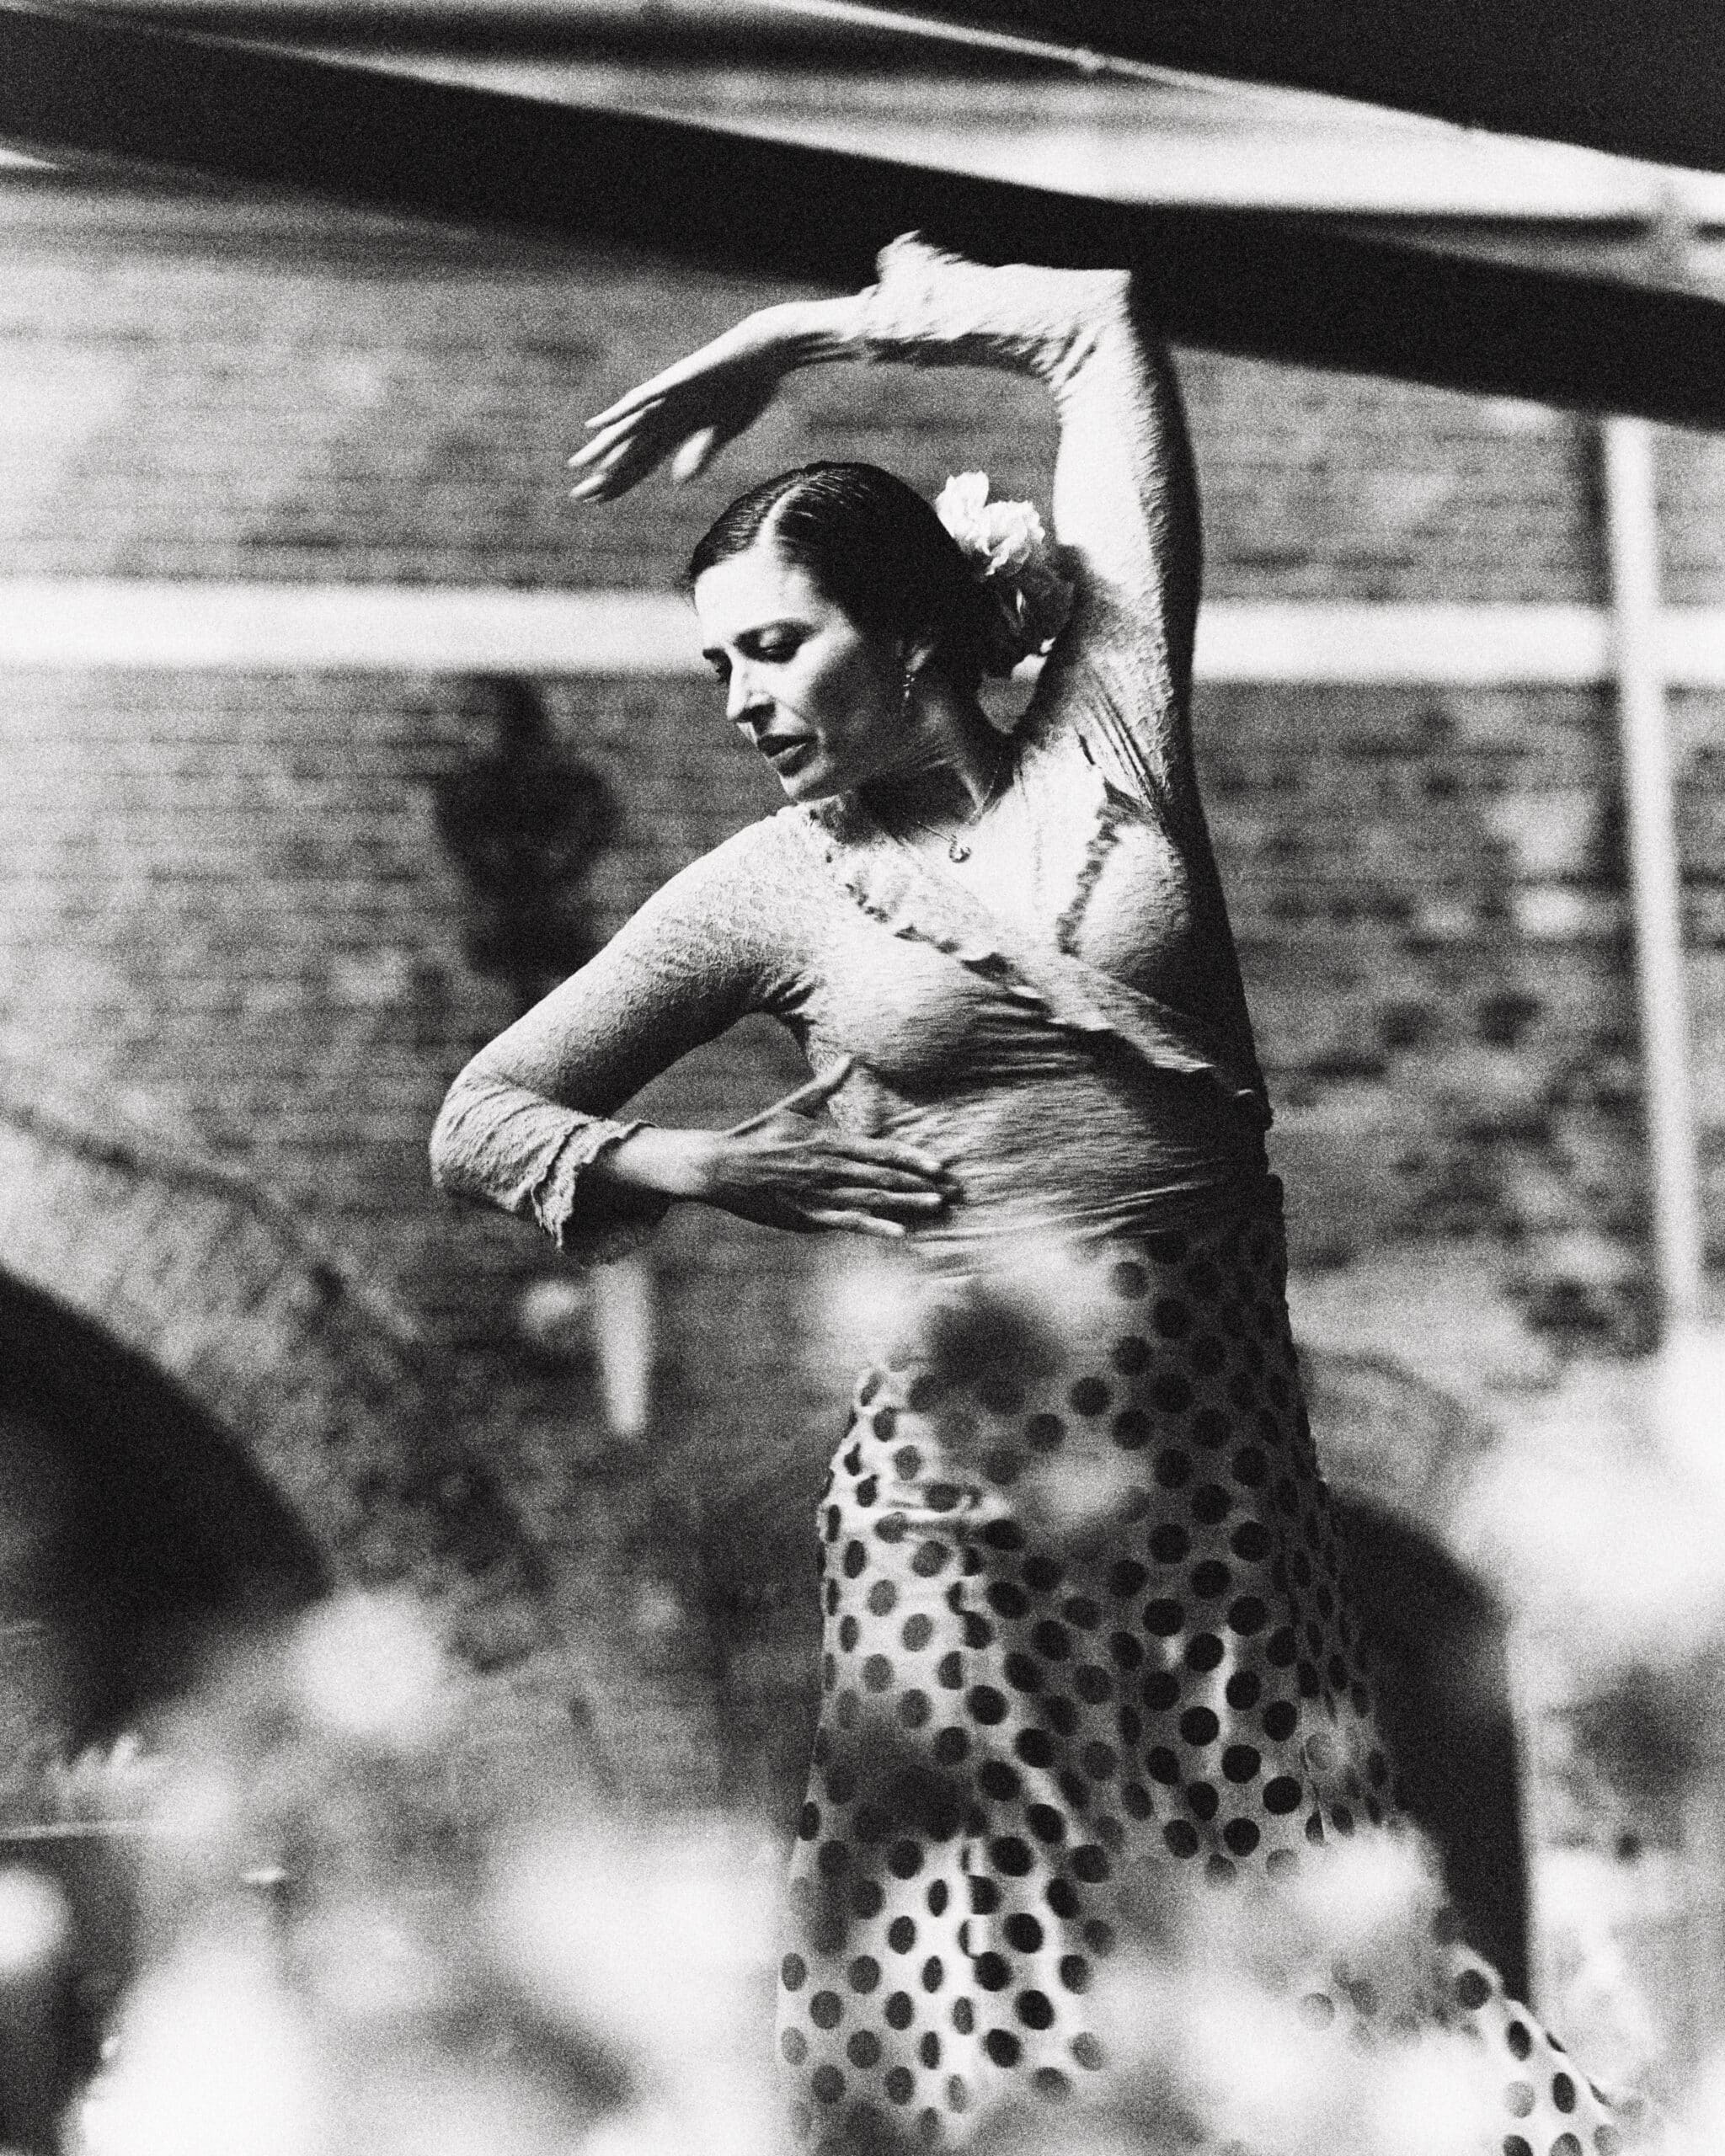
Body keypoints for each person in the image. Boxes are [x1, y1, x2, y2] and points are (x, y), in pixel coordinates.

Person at [431, 236, 1643, 2154]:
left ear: (912, 633)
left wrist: (805, 331)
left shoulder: (1114, 723)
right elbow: (484, 1116)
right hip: (955, 1488)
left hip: (1217, 1459)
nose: (741, 696)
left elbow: (1095, 322)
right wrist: (712, 1164)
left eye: (775, 644)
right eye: (717, 664)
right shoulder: (772, 885)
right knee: (988, 1930)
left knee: (1315, 1884)